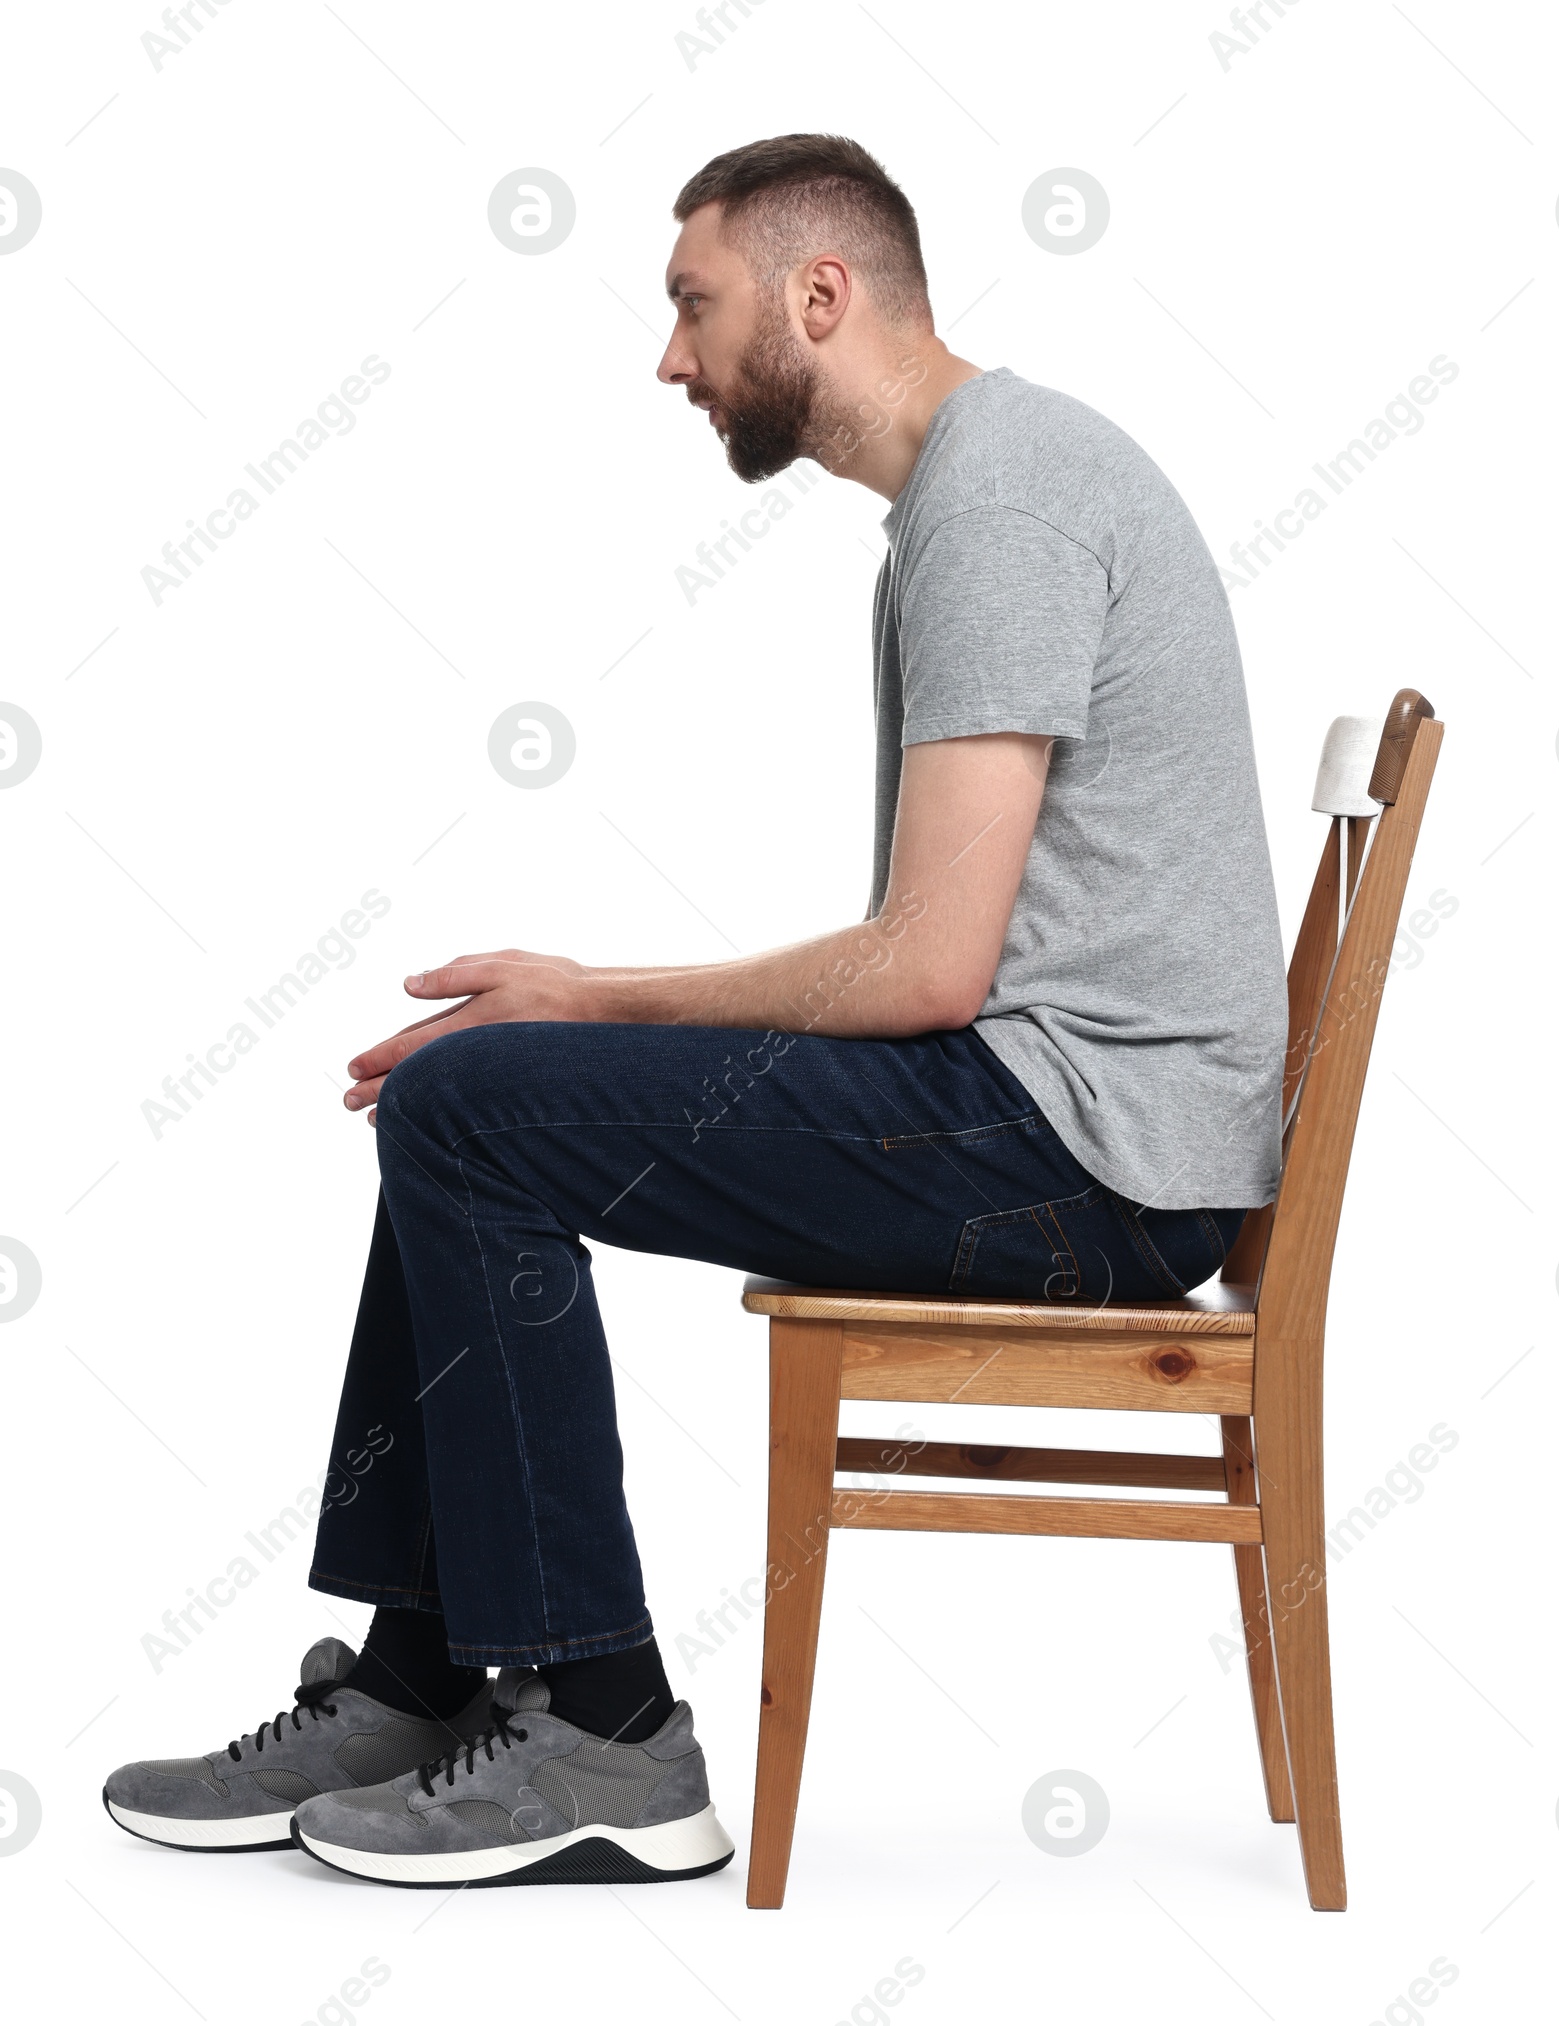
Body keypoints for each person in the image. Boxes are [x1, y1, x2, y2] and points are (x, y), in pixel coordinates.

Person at [104, 133, 1287, 1888]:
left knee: (476, 1100)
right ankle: (434, 1678)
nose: (670, 358)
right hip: (1076, 1125)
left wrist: (590, 994)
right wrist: (572, 1020)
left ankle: (605, 1728)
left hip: (1088, 1166)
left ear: (821, 295)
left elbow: (929, 966)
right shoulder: (978, 493)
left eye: (691, 304)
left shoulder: (1005, 503)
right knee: (479, 1091)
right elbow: (936, 964)